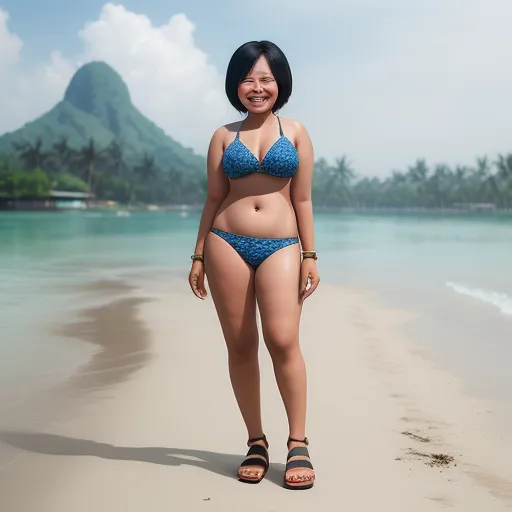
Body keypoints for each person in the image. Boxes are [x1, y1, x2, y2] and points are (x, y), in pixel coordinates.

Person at [188, 40, 320, 490]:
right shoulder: (224, 136)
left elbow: (301, 198)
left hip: (282, 244)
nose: (257, 87)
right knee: (241, 344)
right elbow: (212, 197)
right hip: (226, 241)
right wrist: (199, 254)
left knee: (283, 339)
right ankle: (256, 441)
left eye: (265, 78)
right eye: (248, 79)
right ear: (235, 85)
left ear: (279, 83)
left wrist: (310, 255)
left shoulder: (297, 132)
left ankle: (297, 442)